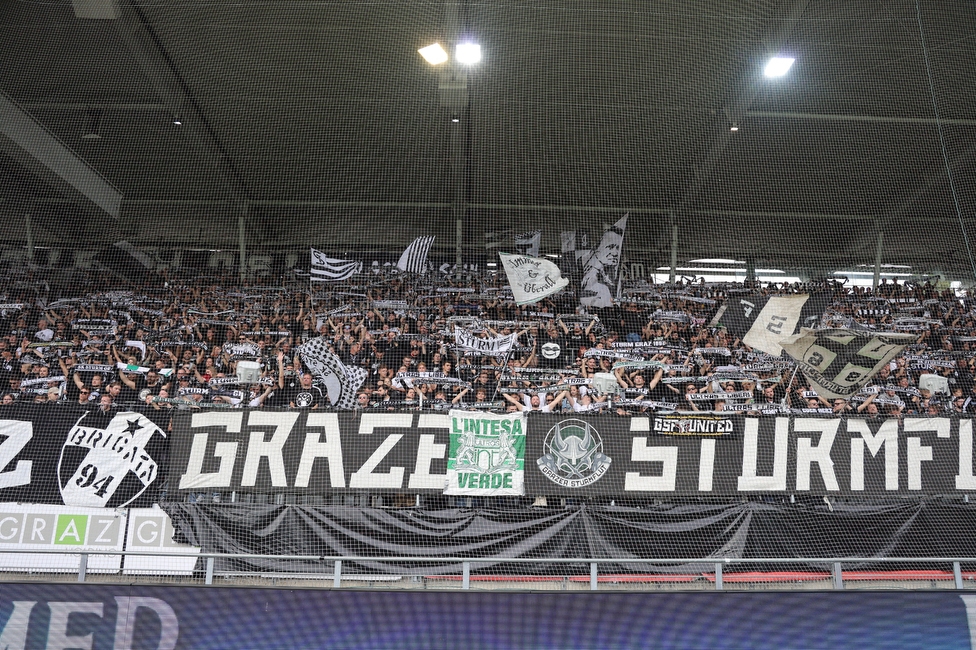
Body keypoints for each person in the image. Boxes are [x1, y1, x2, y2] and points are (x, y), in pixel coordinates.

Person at [580, 216, 625, 308]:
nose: (615, 253)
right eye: (610, 247)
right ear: (598, 249)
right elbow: (585, 300)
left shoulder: (607, 273)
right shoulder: (591, 278)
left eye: (617, 248)